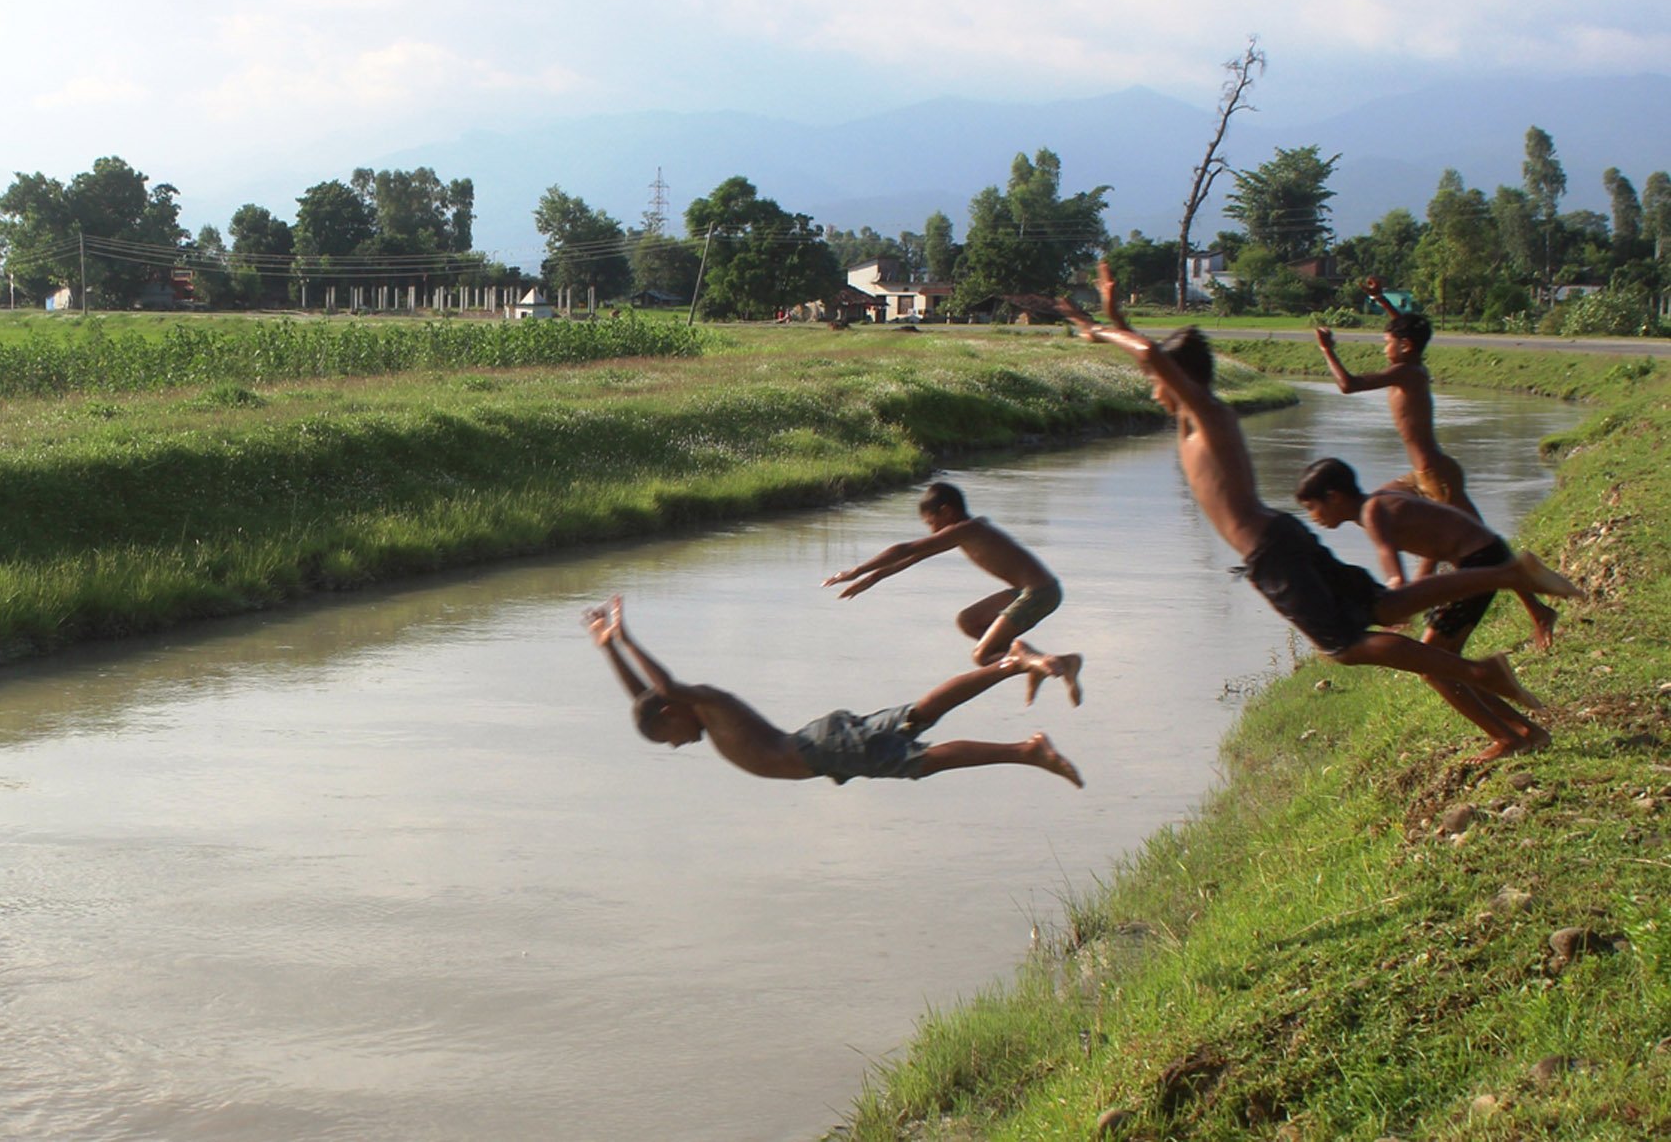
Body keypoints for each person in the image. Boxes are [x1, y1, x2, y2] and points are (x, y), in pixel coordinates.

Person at [1056, 263, 1581, 710]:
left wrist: (1102, 331)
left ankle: (1479, 672)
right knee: (1382, 607)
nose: (1153, 392)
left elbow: (1151, 358)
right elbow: (1151, 356)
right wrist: (1113, 318)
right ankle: (1510, 572)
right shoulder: (1190, 422)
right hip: (1279, 540)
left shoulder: (1209, 414)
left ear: (1180, 381)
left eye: (1159, 384)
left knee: (1347, 647)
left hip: (1270, 551)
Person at [585, 595, 1084, 787]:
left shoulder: (707, 703)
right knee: (918, 715)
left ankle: (1026, 750)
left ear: (673, 711)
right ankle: (1014, 664)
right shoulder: (686, 710)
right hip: (824, 745)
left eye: (667, 735)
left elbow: (662, 689)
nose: (675, 744)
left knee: (920, 759)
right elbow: (646, 700)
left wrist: (628, 637)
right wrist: (610, 648)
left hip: (824, 748)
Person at [1313, 276, 1559, 649]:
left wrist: (1328, 349)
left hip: (1437, 477)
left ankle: (1537, 609)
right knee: (1376, 505)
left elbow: (1348, 385)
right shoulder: (1414, 363)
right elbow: (1410, 331)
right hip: (1421, 474)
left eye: (1388, 342)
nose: (1385, 349)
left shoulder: (1406, 372)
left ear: (1405, 346)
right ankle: (1412, 593)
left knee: (1486, 550)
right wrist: (1383, 301)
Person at [1295, 457, 1551, 759]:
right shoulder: (1381, 499)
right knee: (1443, 661)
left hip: (1477, 564)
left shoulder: (1372, 513)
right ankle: (1523, 732)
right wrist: (1419, 592)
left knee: (1434, 667)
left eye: (1312, 507)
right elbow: (1430, 540)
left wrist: (1394, 604)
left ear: (1334, 497)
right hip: (1481, 559)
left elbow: (1394, 574)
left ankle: (1514, 736)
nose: (1313, 517)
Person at [822, 481, 1081, 693]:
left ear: (946, 512)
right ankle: (1034, 661)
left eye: (930, 523)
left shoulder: (969, 530)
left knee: (982, 656)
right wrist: (870, 579)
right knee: (968, 620)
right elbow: (912, 557)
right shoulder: (968, 530)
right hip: (1033, 590)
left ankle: (1043, 661)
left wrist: (855, 570)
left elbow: (905, 549)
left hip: (1038, 593)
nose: (931, 530)